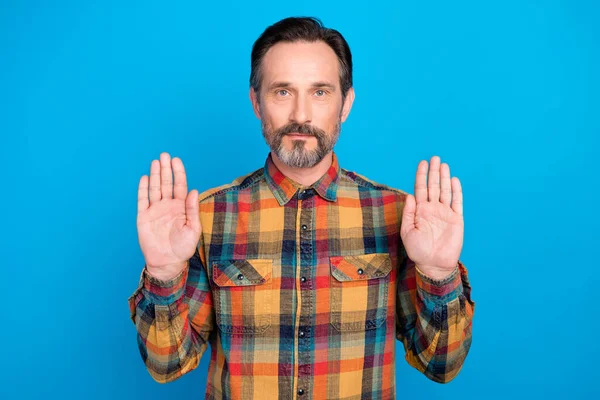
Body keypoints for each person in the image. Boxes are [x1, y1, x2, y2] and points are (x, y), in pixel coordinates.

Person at [128, 16, 475, 400]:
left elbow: (442, 365)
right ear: (256, 102)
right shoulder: (203, 219)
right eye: (282, 92)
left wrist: (439, 275)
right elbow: (166, 366)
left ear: (346, 103)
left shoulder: (403, 217)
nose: (301, 115)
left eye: (320, 92)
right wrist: (164, 275)